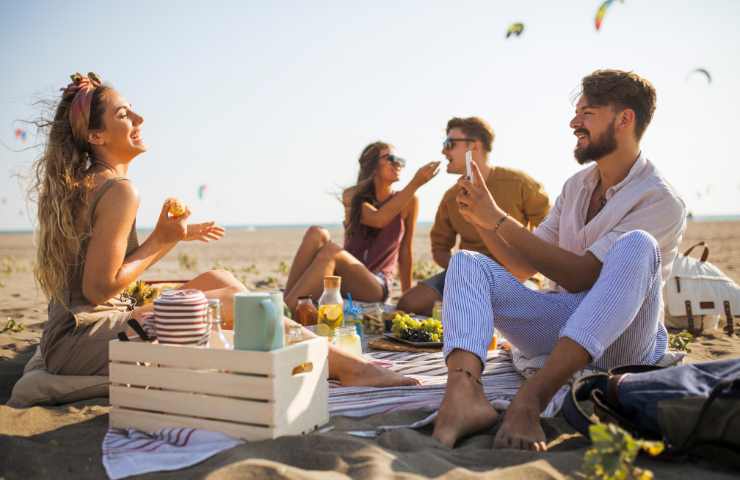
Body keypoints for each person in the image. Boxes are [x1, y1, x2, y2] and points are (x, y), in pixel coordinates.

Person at [30, 72, 417, 388]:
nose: (139, 120)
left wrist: (170, 245)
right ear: (96, 137)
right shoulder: (119, 190)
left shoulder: (91, 182)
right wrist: (164, 240)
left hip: (79, 333)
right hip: (84, 343)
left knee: (220, 278)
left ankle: (328, 359)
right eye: (124, 115)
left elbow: (96, 280)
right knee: (236, 301)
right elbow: (100, 289)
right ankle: (346, 367)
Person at [431, 69, 687, 450]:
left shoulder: (659, 198)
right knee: (467, 262)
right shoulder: (576, 186)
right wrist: (482, 222)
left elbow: (582, 275)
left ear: (624, 119)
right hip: (561, 321)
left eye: (587, 113)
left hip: (623, 338)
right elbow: (522, 266)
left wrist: (498, 217)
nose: (574, 122)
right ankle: (463, 394)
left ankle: (532, 398)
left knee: (637, 245)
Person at [397, 117, 550, 316]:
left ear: (473, 146)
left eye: (449, 144)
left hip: (516, 275)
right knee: (409, 304)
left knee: (521, 309)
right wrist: (465, 272)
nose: (444, 151)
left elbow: (551, 230)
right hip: (468, 273)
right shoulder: (451, 197)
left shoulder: (519, 183)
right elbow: (440, 247)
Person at [283, 141, 440, 311]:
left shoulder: (410, 201)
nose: (398, 164)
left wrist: (407, 298)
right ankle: (285, 303)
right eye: (391, 158)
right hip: (345, 276)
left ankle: (285, 310)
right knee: (316, 233)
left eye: (400, 160)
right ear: (372, 165)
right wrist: (415, 183)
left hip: (376, 284)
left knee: (331, 251)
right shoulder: (352, 196)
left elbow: (405, 250)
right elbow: (378, 219)